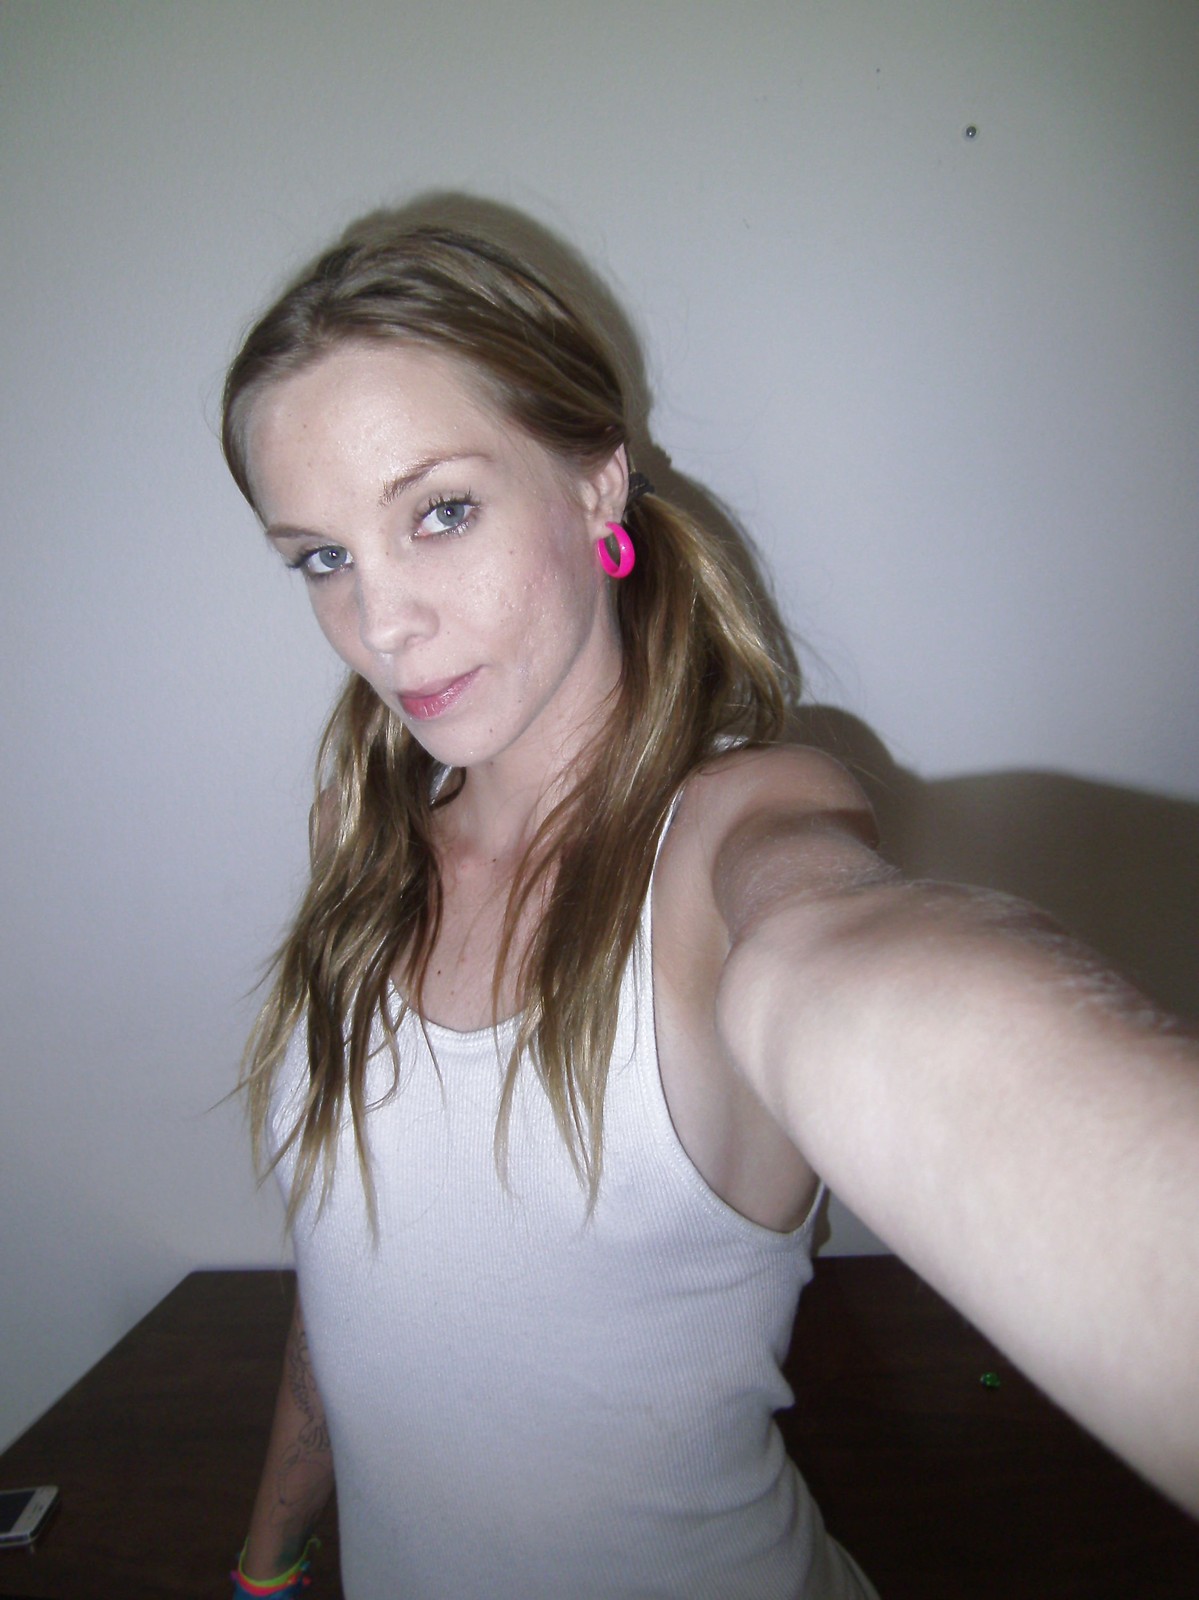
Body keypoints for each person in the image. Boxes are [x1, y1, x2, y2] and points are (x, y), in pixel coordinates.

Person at [222, 219, 1199, 1599]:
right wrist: (267, 1559)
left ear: (595, 482)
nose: (382, 624)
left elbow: (841, 957)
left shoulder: (732, 835)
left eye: (439, 512)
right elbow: (350, 1259)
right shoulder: (362, 844)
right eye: (322, 557)